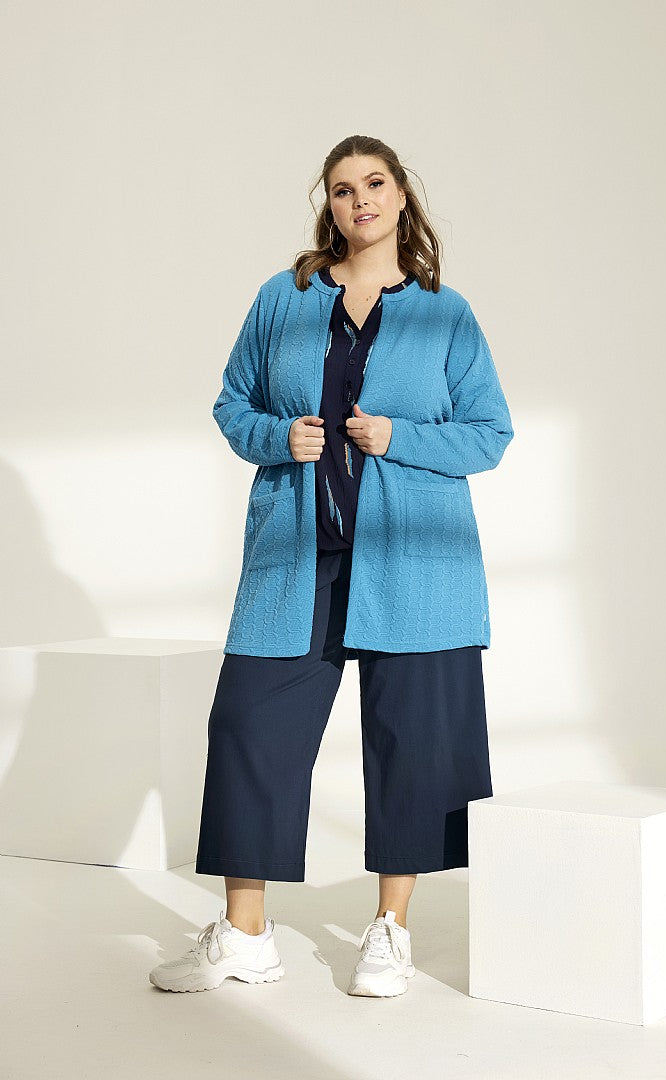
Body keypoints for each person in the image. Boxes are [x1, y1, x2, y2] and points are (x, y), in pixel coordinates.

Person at [149, 135, 514, 998]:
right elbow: (232, 404)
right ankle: (245, 935)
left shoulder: (445, 312)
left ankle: (390, 930)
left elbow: (489, 433)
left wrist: (399, 437)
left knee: (412, 740)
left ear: (401, 195)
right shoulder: (284, 298)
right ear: (331, 204)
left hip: (415, 562)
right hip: (296, 553)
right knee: (248, 724)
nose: (361, 200)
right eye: (344, 189)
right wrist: (279, 437)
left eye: (375, 183)